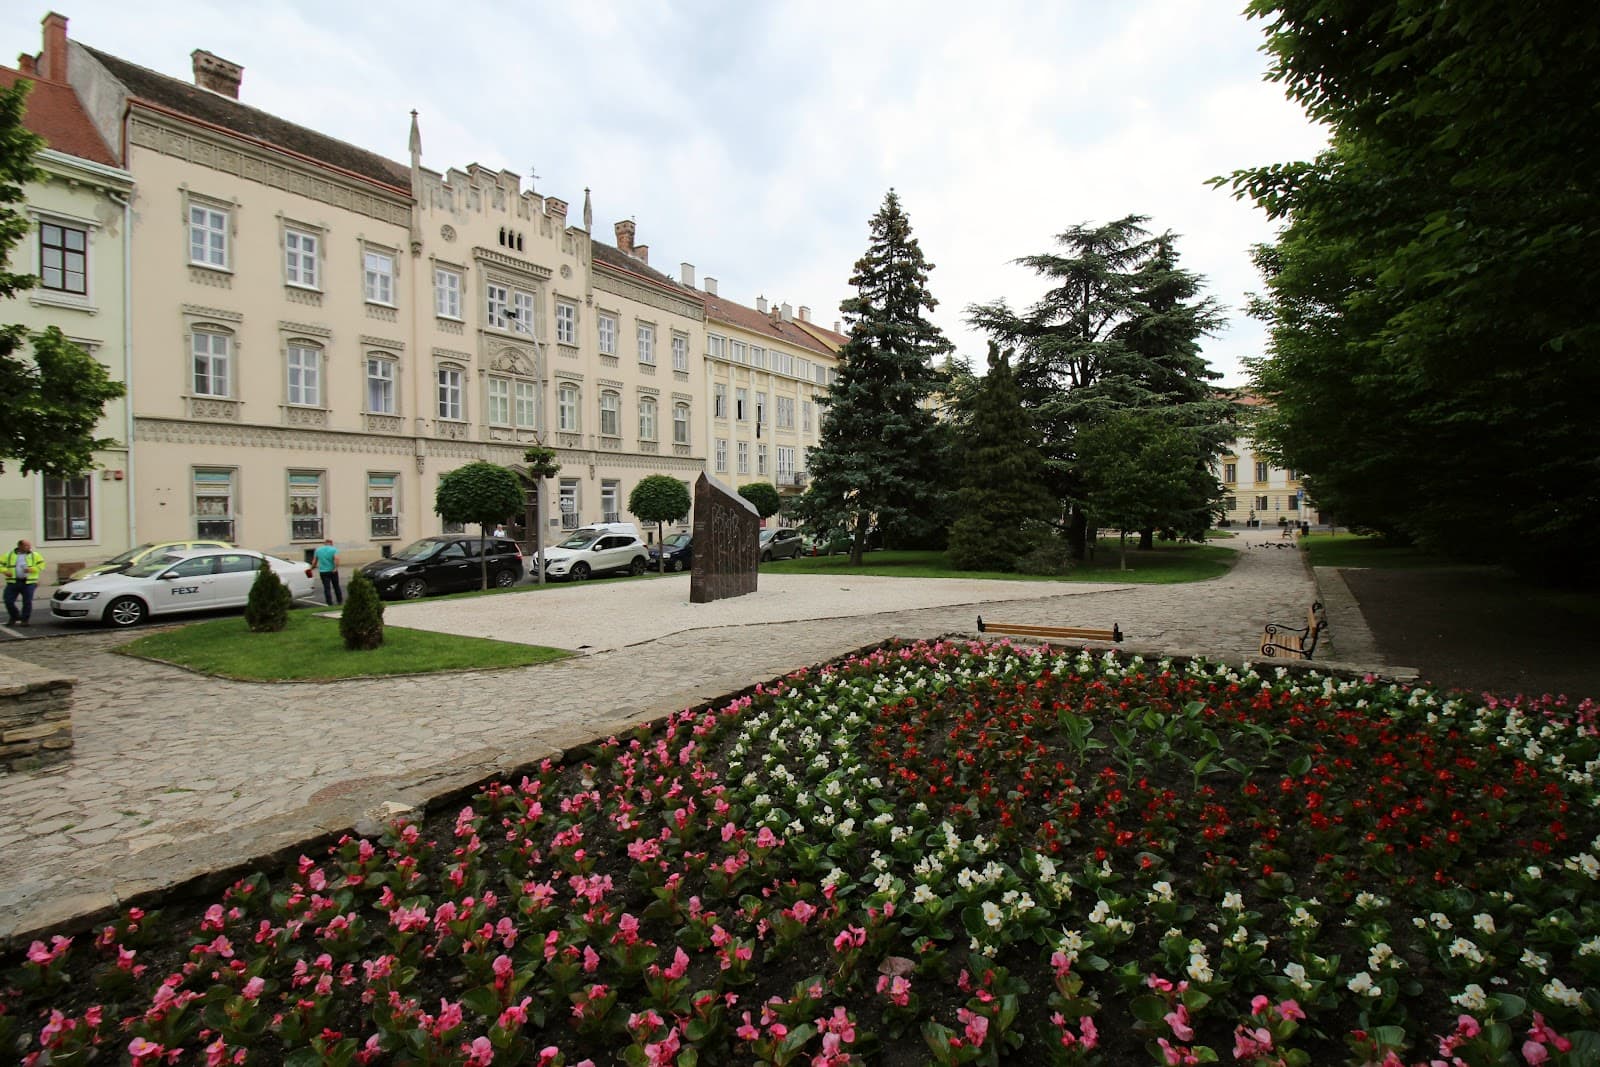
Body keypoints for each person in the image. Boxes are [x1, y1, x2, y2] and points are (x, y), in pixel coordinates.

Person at [4, 538, 46, 627]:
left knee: (27, 602)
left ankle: (25, 620)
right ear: (20, 546)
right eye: (26, 545)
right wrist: (4, 571)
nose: (29, 547)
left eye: (29, 545)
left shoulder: (35, 555)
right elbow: (0, 564)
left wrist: (32, 569)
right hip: (13, 582)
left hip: (29, 582)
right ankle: (15, 616)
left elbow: (42, 565)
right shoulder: (9, 555)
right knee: (8, 600)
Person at [312, 537, 342, 605]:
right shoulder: (334, 549)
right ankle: (339, 600)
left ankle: (329, 602)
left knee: (326, 587)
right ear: (331, 543)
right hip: (332, 571)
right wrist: (335, 568)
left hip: (323, 571)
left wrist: (311, 568)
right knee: (336, 586)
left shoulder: (318, 550)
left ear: (325, 543)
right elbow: (336, 559)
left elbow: (314, 562)